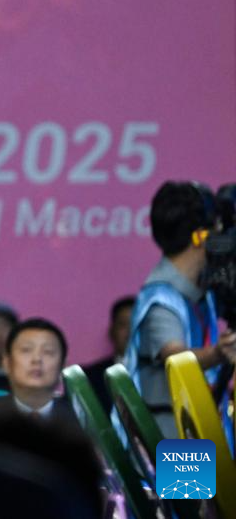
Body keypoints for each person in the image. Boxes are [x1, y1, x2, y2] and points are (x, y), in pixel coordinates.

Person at [123, 181, 236, 436]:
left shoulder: (201, 292)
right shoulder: (160, 299)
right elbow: (176, 359)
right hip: (173, 442)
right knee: (192, 469)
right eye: (218, 228)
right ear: (200, 237)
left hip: (200, 433)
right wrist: (218, 353)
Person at [0, 318, 78, 425]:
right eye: (26, 350)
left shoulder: (80, 420)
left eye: (48, 351)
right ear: (7, 363)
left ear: (63, 365)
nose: (37, 359)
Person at [82, 296, 134, 412]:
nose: (130, 331)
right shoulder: (88, 377)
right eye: (123, 325)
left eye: (137, 325)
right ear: (112, 331)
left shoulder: (161, 376)